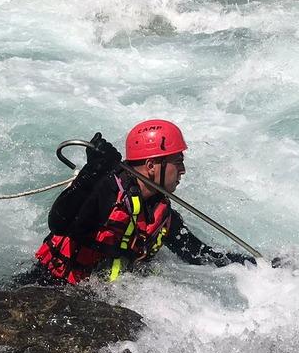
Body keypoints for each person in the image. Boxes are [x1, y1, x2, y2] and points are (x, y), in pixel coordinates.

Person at [16, 119, 256, 287]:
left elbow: (200, 255)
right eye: (177, 161)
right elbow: (59, 223)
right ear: (151, 166)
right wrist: (92, 171)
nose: (183, 170)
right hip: (49, 285)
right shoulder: (107, 191)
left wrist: (260, 267)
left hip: (93, 299)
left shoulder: (161, 214)